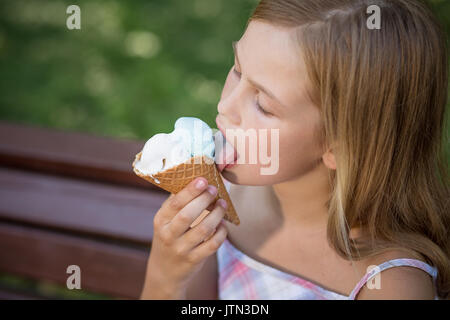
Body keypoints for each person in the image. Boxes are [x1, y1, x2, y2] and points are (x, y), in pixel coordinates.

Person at [140, 0, 449, 300]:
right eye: (237, 70)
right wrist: (165, 278)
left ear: (340, 147)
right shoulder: (219, 201)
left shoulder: (391, 286)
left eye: (262, 104)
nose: (225, 106)